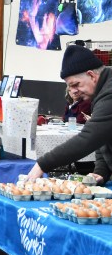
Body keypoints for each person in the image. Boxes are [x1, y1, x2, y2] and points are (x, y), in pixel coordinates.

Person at [27, 44, 110, 181]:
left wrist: (42, 164)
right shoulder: (100, 92)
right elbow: (104, 137)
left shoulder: (109, 93)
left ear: (91, 75)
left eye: (75, 84)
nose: (74, 91)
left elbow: (91, 137)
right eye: (70, 86)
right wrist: (101, 171)